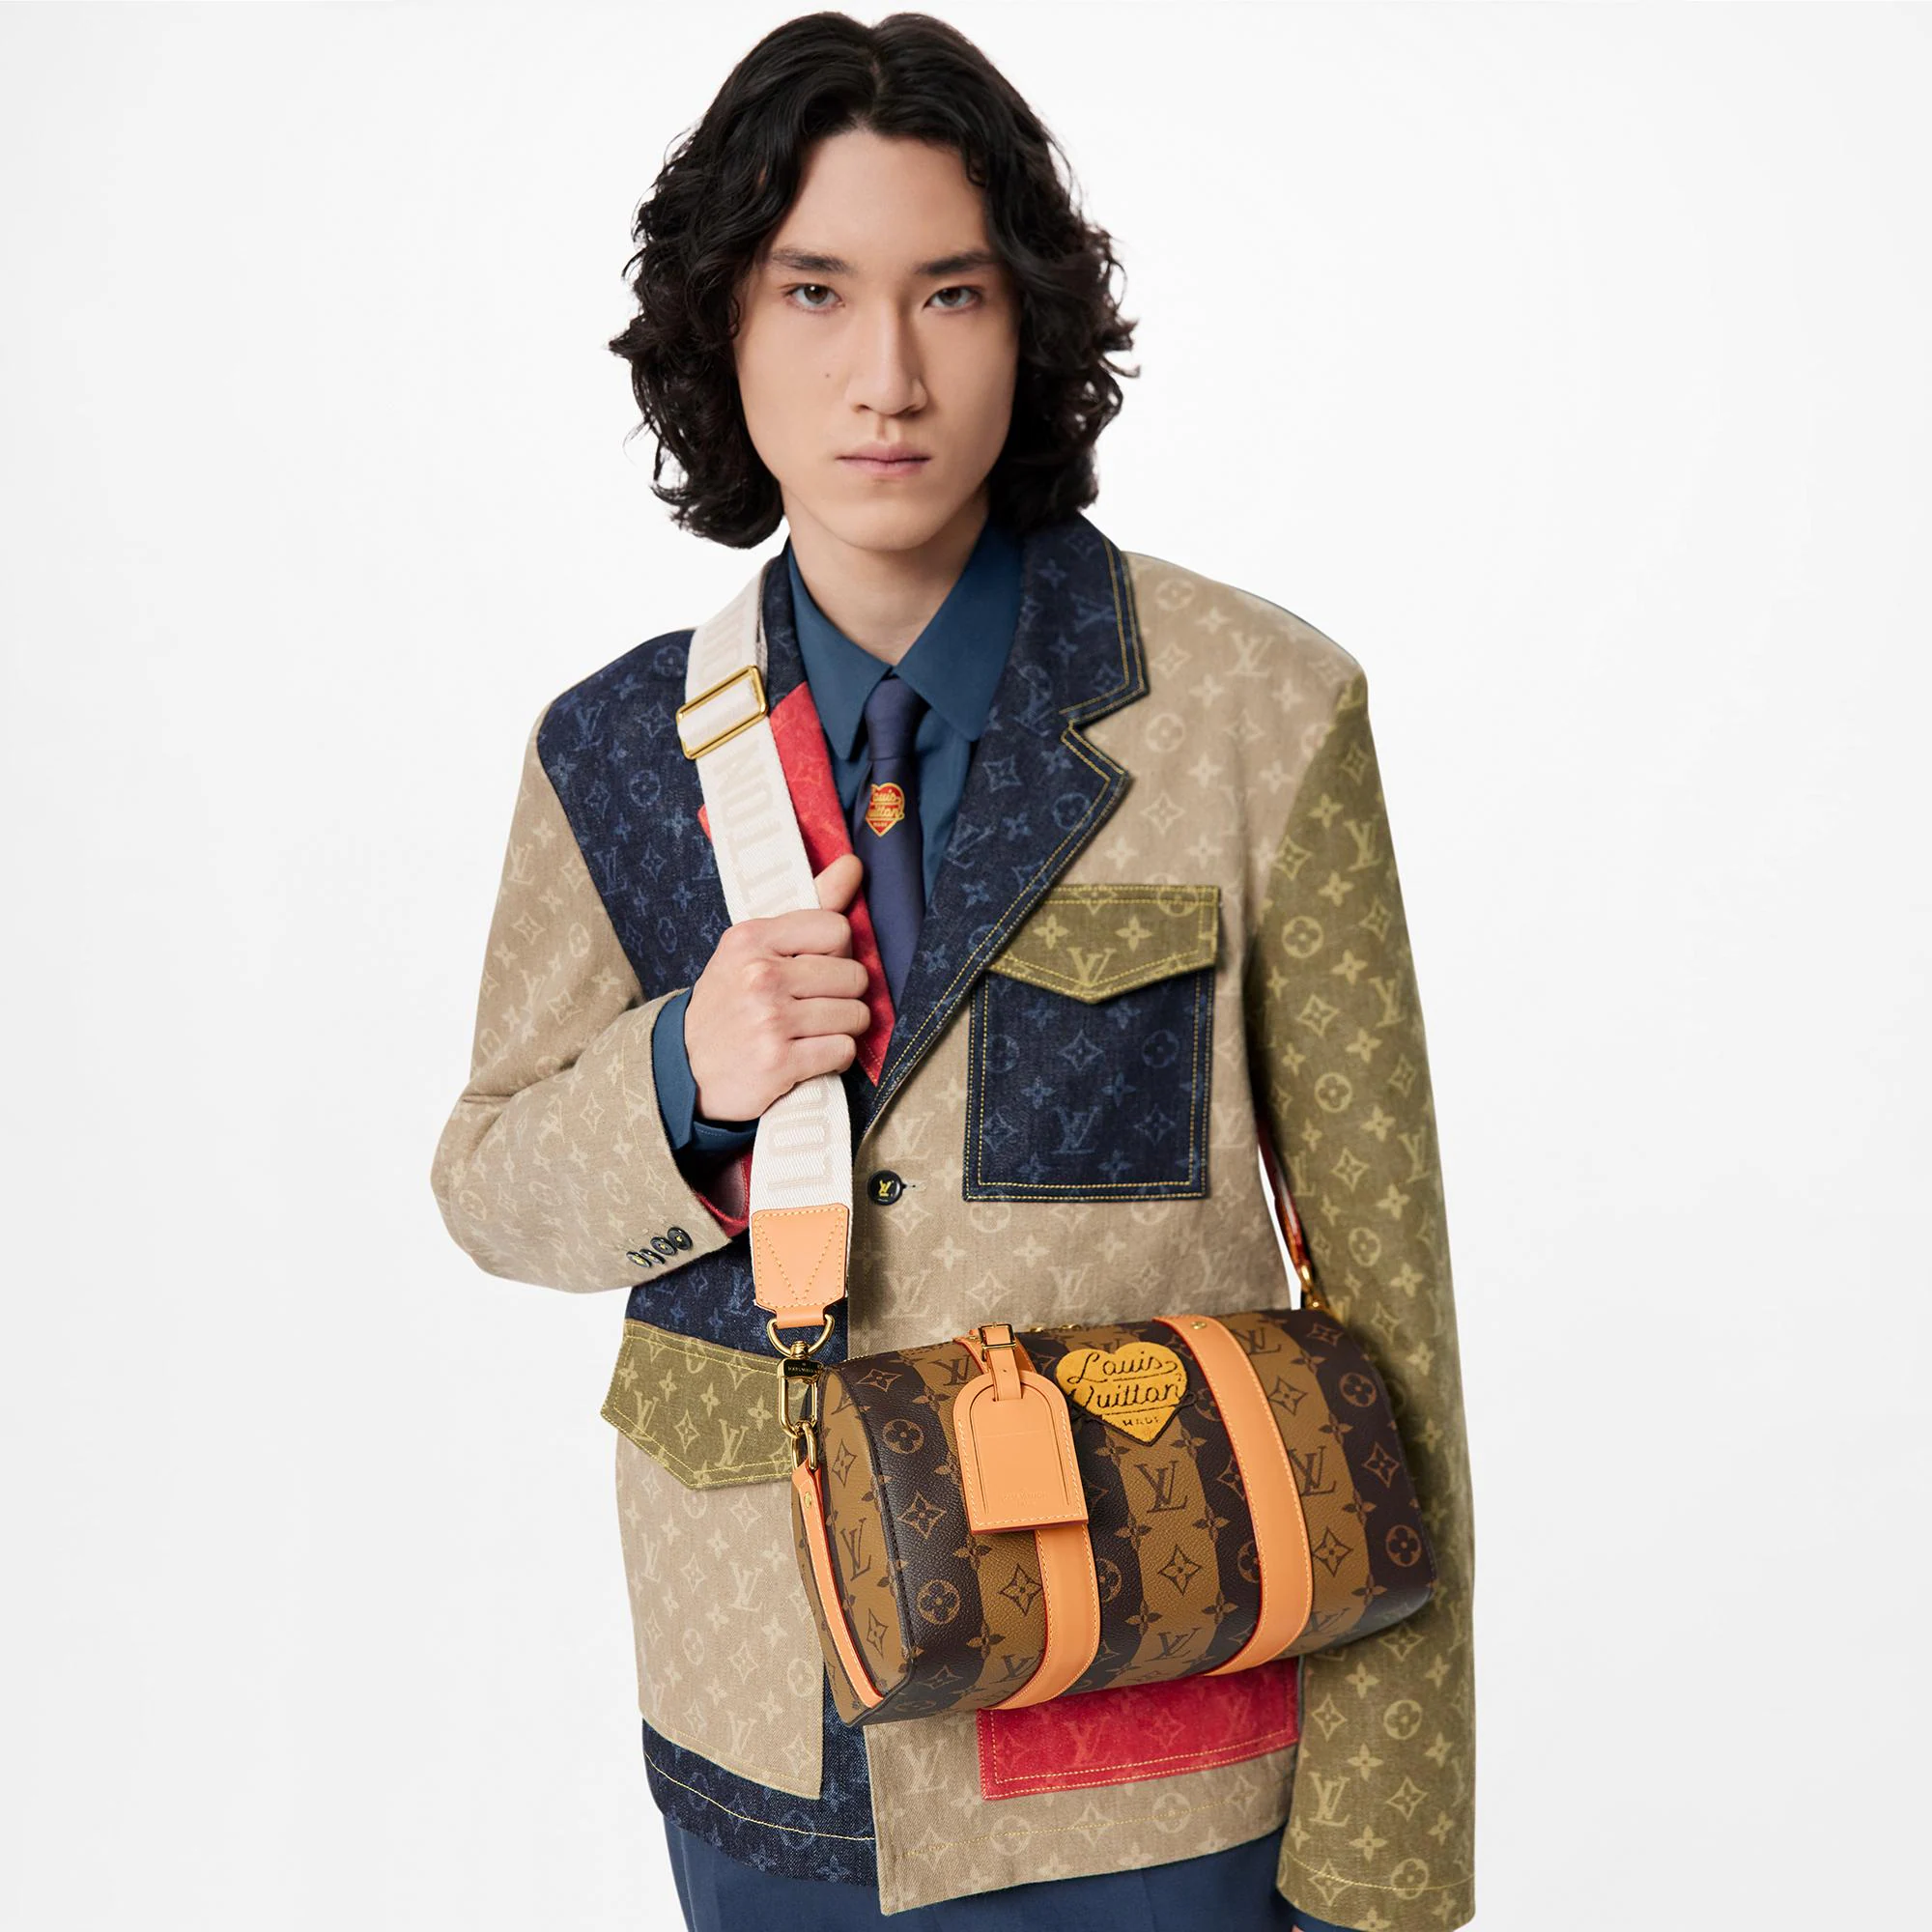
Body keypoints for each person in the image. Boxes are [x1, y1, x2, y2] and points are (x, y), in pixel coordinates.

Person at [429, 12, 1476, 1929]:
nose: (886, 376)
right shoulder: (615, 751)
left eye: (953, 295)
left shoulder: (1260, 711)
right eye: (815, 292)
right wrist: (681, 1074)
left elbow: (1388, 1300)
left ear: (1031, 324)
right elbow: (489, 1182)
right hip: (766, 1728)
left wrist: (1385, 1855)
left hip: (1151, 1736)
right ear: (722, 324)